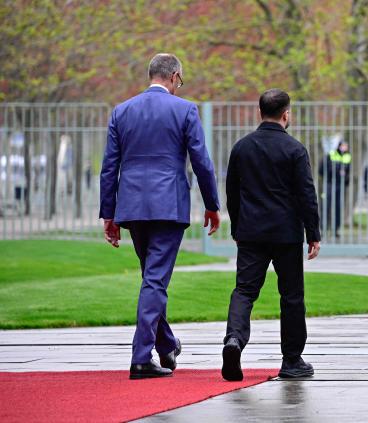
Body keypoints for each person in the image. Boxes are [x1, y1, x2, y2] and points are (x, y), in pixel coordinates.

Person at [99, 53, 221, 380]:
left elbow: (110, 168)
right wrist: (212, 204)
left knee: (151, 278)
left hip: (133, 206)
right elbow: (201, 161)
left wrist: (108, 214)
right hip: (169, 204)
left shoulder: (122, 111)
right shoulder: (184, 110)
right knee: (155, 279)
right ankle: (141, 357)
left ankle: (166, 344)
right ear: (175, 76)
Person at [223, 89, 321, 381]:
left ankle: (234, 341)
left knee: (244, 291)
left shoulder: (242, 148)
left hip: (251, 232)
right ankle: (292, 360)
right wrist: (313, 232)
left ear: (259, 112)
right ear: (286, 114)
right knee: (291, 295)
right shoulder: (294, 149)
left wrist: (238, 227)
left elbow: (232, 193)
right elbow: (306, 194)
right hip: (286, 234)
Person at [319, 140, 351, 238]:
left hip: (340, 185)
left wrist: (345, 180)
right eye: (343, 145)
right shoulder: (331, 154)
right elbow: (321, 169)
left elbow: (348, 171)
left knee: (338, 208)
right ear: (339, 146)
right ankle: (323, 229)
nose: (344, 147)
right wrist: (328, 177)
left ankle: (335, 230)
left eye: (346, 146)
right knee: (326, 207)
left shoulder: (347, 156)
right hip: (329, 184)